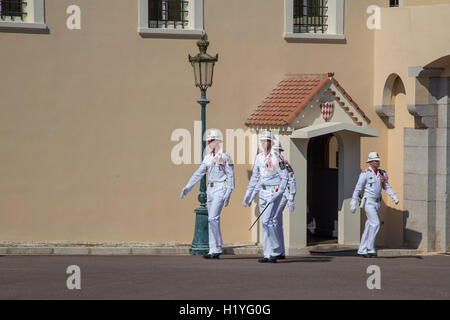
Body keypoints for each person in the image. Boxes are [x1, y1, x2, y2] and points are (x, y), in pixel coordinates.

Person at [180, 129, 235, 259]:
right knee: (211, 219)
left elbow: (231, 176)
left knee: (213, 218)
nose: (209, 143)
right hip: (210, 190)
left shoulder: (226, 156)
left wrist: (229, 192)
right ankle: (213, 249)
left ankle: (218, 246)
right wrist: (188, 187)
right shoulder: (208, 157)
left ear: (218, 141)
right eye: (208, 141)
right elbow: (199, 173)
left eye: (212, 140)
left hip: (221, 188)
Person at [243, 131, 289, 263]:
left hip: (273, 192)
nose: (263, 143)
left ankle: (275, 248)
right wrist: (249, 194)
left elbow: (285, 177)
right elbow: (255, 177)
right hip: (263, 192)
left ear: (271, 142)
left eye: (265, 140)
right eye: (261, 141)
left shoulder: (277, 157)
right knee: (265, 224)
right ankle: (268, 254)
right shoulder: (259, 158)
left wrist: (279, 192)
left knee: (267, 221)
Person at [249, 140, 296, 259]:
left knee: (272, 220)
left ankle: (276, 250)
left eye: (277, 150)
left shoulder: (283, 162)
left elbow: (291, 180)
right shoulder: (268, 162)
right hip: (272, 193)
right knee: (275, 222)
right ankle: (278, 251)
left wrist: (291, 198)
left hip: (282, 194)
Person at [350, 152, 399, 257]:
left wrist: (394, 196)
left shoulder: (382, 173)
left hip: (377, 202)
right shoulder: (365, 173)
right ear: (370, 162)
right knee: (376, 223)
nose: (377, 162)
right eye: (375, 160)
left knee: (369, 226)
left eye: (378, 160)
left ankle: (362, 250)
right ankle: (370, 247)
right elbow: (358, 189)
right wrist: (353, 202)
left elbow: (386, 186)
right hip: (368, 202)